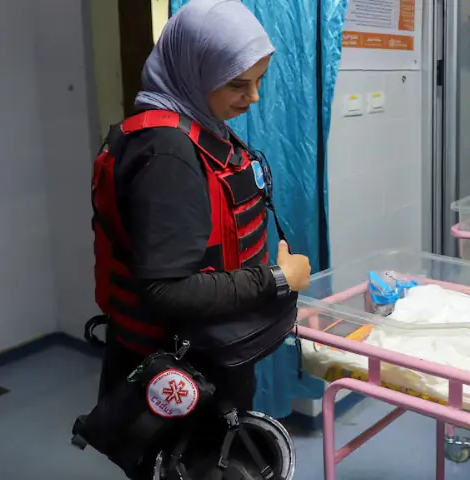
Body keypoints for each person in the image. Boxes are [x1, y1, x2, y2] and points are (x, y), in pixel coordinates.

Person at [88, 0, 309, 477]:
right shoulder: (167, 154)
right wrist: (278, 278)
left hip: (206, 354)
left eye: (259, 81)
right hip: (180, 367)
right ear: (194, 70)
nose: (253, 98)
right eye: (238, 84)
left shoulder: (198, 128)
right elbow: (165, 289)